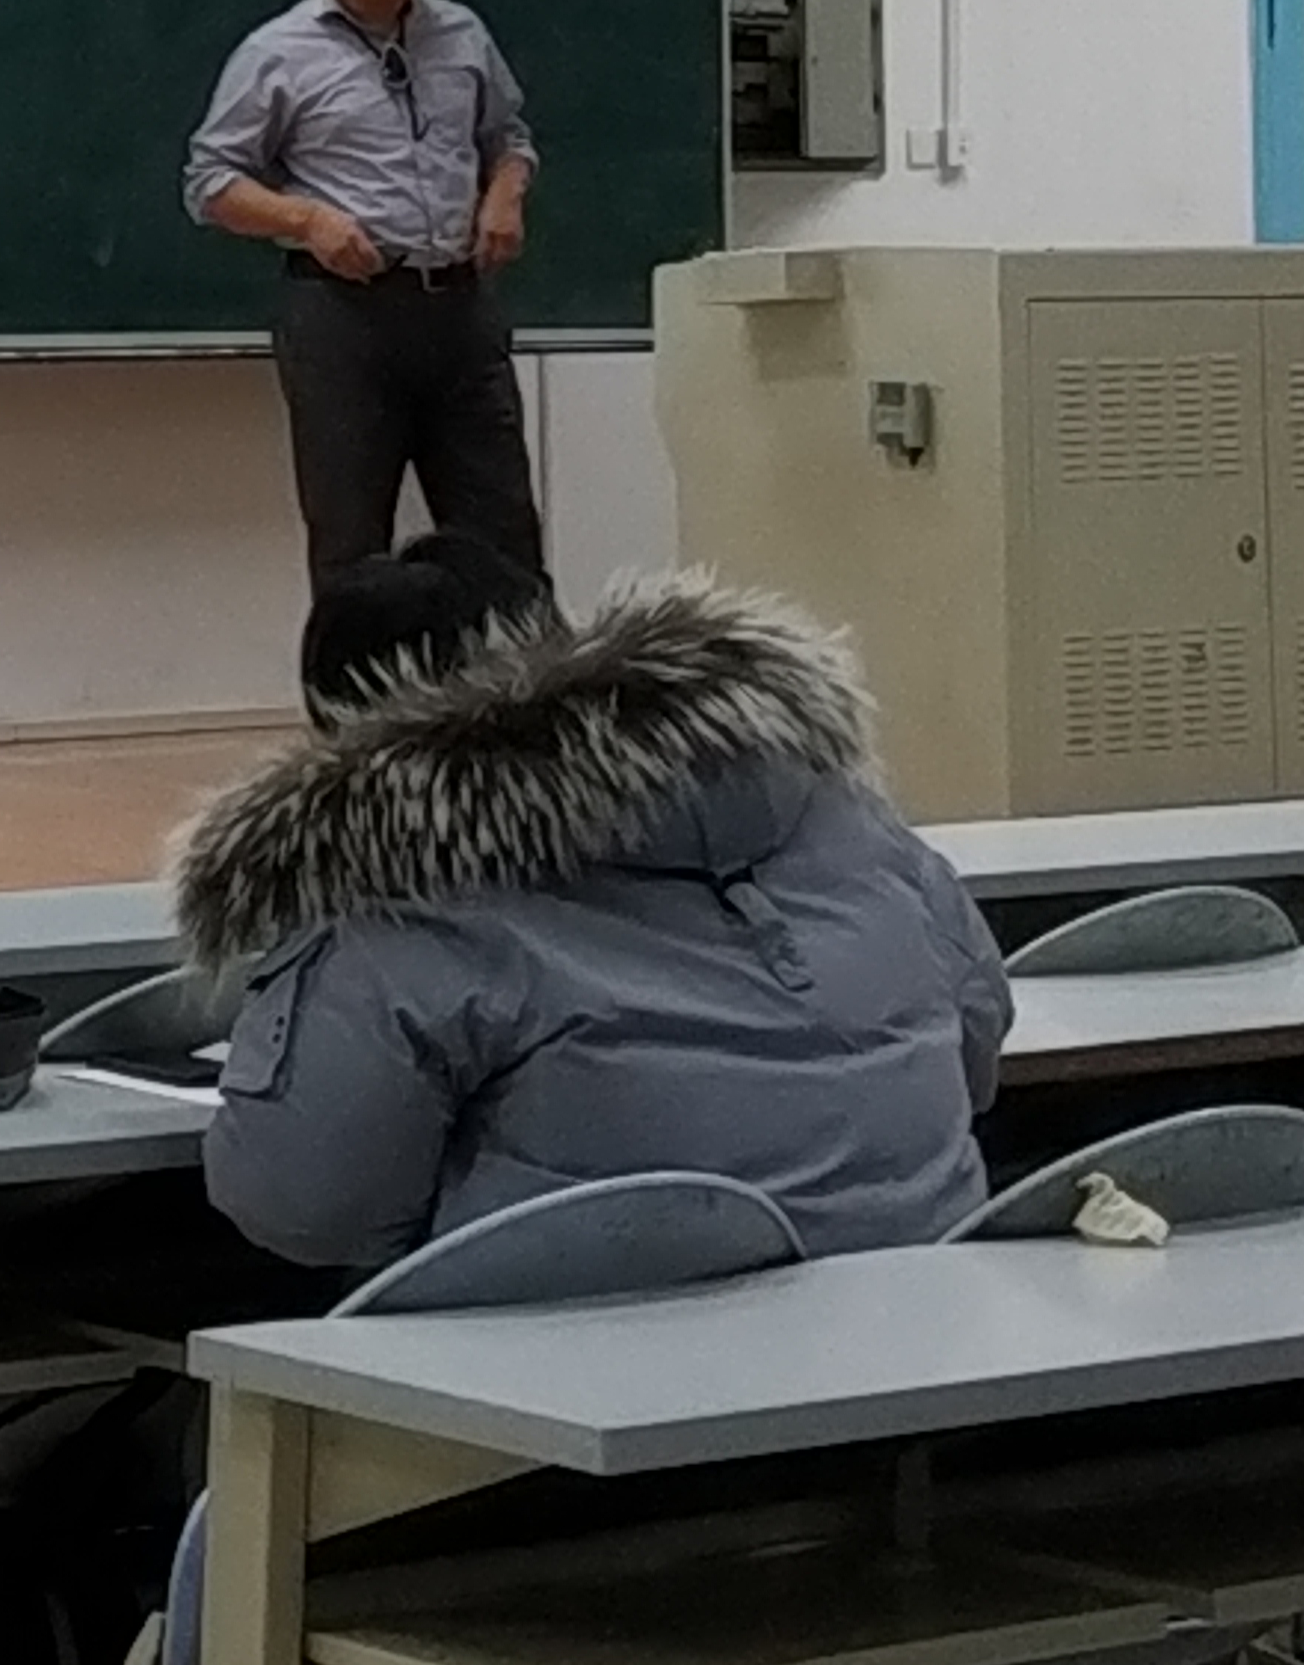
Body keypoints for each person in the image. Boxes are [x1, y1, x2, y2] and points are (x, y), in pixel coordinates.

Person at [173, 537, 1008, 1277]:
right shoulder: (851, 823)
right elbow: (977, 1049)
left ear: (341, 743)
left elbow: (302, 1207)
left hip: (572, 1368)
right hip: (920, 1318)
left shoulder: (403, 913)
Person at [180, 0, 544, 581]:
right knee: (352, 546)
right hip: (344, 321)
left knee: (504, 538)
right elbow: (210, 181)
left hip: (460, 312)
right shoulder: (278, 52)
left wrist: (506, 193)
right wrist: (307, 218)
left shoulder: (462, 33)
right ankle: (360, 662)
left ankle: (519, 658)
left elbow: (510, 137)